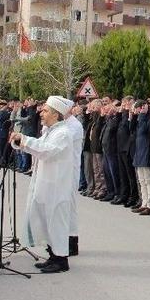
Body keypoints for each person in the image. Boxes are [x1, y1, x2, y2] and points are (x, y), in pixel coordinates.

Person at [9, 96, 76, 274]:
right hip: (47, 183)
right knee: (47, 221)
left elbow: (47, 151)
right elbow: (39, 147)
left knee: (56, 222)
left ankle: (61, 260)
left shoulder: (63, 133)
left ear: (55, 114)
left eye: (45, 110)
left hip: (57, 185)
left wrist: (25, 140)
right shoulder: (51, 130)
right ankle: (53, 256)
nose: (41, 113)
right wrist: (22, 142)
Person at [64, 102, 85, 257]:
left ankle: (72, 242)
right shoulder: (64, 124)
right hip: (61, 170)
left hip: (70, 170)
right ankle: (62, 240)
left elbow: (63, 143)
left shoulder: (74, 125)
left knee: (69, 206)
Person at [132, 100, 150, 215]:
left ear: (143, 107)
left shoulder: (148, 117)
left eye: (138, 109)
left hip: (146, 152)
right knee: (142, 180)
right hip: (139, 152)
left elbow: (144, 130)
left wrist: (142, 114)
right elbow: (133, 130)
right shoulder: (140, 118)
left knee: (148, 180)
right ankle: (144, 202)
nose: (136, 111)